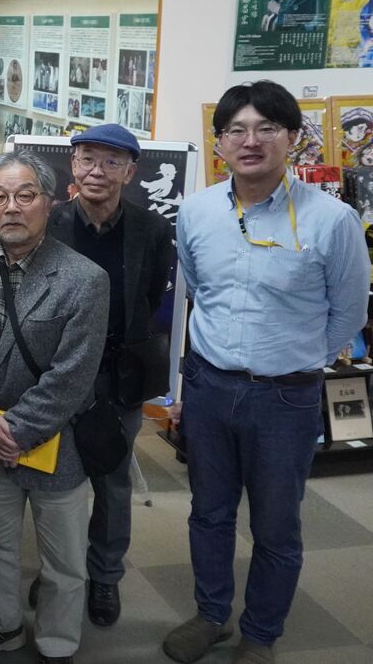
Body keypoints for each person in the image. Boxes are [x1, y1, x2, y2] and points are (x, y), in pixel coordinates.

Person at [164, 82, 369, 664]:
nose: (250, 141)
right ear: (220, 143)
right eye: (236, 130)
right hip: (209, 387)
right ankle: (211, 615)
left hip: (286, 398)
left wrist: (294, 357)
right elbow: (195, 292)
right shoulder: (197, 210)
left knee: (276, 526)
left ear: (293, 138)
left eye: (266, 128)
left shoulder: (332, 220)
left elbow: (349, 313)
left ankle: (260, 632)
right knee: (209, 513)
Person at [0, 150, 109, 664]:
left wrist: (16, 429)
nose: (11, 207)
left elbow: (73, 374)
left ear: (49, 203)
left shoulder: (84, 278)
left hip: (57, 439)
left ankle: (58, 641)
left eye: (25, 195)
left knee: (65, 558)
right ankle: (4, 625)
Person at [40, 124, 173, 627]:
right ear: (73, 165)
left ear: (130, 172)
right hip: (54, 373)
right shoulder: (48, 223)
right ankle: (59, 571)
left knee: (113, 481)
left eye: (111, 162)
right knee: (53, 481)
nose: (97, 171)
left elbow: (150, 297)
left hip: (117, 376)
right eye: (87, 159)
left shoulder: (152, 229)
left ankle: (105, 575)